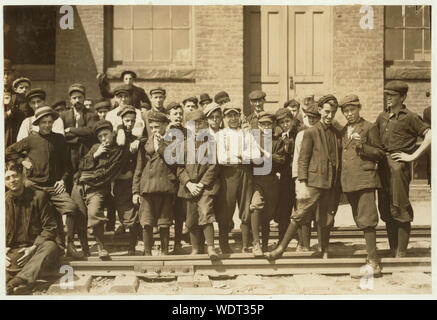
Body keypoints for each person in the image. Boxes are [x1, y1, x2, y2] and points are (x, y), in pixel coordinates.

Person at [266, 95, 342, 260]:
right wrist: (302, 183)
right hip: (314, 182)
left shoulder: (336, 133)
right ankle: (281, 248)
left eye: (333, 113)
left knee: (326, 217)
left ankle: (325, 250)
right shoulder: (310, 132)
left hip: (330, 183)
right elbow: (303, 160)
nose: (329, 116)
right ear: (320, 110)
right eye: (327, 112)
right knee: (300, 214)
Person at [6, 106, 86, 260]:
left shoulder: (60, 140)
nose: (47, 125)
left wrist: (63, 180)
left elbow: (68, 166)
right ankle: (42, 248)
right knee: (41, 213)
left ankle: (69, 245)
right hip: (35, 185)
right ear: (38, 123)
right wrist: (22, 160)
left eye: (50, 122)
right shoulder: (31, 139)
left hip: (55, 186)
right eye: (44, 122)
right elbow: (8, 151)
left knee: (71, 207)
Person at [375, 81, 431, 257]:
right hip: (383, 167)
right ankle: (393, 249)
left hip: (399, 168)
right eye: (387, 94)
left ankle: (401, 252)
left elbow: (430, 135)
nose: (388, 98)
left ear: (403, 97)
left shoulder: (410, 117)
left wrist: (412, 156)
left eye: (392, 95)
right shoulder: (382, 117)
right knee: (385, 208)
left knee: (400, 207)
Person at [339, 94, 385, 277]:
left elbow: (380, 153)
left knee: (367, 220)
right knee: (360, 220)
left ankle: (373, 263)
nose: (349, 114)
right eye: (346, 111)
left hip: (365, 180)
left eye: (352, 110)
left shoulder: (369, 127)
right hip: (350, 182)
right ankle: (371, 257)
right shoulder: (343, 130)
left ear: (359, 108)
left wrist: (362, 146)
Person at [74, 120, 132, 258]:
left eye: (106, 135)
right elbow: (81, 165)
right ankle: (85, 250)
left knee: (94, 215)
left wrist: (120, 129)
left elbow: (126, 139)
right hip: (80, 185)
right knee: (79, 217)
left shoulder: (119, 150)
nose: (103, 139)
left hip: (97, 188)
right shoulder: (95, 147)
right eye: (100, 137)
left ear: (113, 133)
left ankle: (102, 247)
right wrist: (95, 155)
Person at [5, 160, 61, 295]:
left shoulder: (38, 197)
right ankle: (24, 283)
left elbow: (50, 227)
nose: (12, 180)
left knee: (51, 247)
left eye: (14, 176)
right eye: (7, 178)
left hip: (36, 249)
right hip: (14, 252)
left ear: (22, 176)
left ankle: (15, 281)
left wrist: (33, 248)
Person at [215, 103, 263, 253]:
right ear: (224, 118)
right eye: (229, 115)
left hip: (245, 174)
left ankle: (246, 245)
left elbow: (257, 155)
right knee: (226, 209)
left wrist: (240, 156)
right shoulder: (220, 135)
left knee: (246, 208)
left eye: (235, 115)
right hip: (228, 175)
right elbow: (222, 158)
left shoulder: (246, 134)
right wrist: (244, 156)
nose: (233, 118)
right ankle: (224, 245)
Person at [133, 112, 178, 256]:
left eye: (157, 127)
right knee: (146, 221)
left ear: (166, 126)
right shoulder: (145, 143)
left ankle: (164, 252)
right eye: (151, 127)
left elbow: (174, 161)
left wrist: (161, 145)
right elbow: (138, 168)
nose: (154, 130)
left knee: (164, 222)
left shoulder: (174, 141)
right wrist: (135, 191)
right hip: (147, 188)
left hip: (165, 187)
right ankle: (147, 253)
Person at [176, 110, 220, 259]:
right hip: (189, 188)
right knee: (191, 217)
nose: (196, 128)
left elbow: (213, 166)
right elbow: (179, 168)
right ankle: (195, 249)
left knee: (206, 212)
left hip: (205, 188)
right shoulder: (183, 145)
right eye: (192, 124)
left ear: (204, 125)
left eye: (199, 124)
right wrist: (188, 184)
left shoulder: (210, 143)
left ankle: (211, 248)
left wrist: (201, 184)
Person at [250, 112, 285, 256]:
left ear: (273, 125)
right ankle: (256, 243)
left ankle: (265, 244)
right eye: (263, 124)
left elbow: (281, 159)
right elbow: (252, 159)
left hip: (272, 180)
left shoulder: (278, 142)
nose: (266, 127)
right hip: (257, 179)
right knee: (256, 206)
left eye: (269, 124)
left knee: (268, 213)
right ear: (259, 125)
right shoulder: (254, 140)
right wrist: (269, 158)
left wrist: (266, 156)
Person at [291, 102, 321, 251]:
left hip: (319, 180)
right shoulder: (301, 135)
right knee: (303, 212)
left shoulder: (323, 133)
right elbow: (297, 158)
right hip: (304, 179)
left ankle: (322, 246)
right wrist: (298, 179)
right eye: (309, 117)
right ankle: (304, 244)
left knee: (320, 214)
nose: (312, 121)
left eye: (315, 118)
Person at [59, 83, 99, 191]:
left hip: (85, 151)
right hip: (68, 152)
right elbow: (62, 135)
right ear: (70, 100)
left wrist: (71, 130)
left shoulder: (92, 115)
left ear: (84, 98)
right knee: (68, 178)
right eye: (74, 98)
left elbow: (91, 132)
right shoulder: (63, 116)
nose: (77, 100)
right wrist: (80, 135)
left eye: (80, 97)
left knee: (83, 179)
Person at [113, 105, 141, 255]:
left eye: (132, 121)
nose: (129, 123)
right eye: (127, 120)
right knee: (124, 212)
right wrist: (119, 129)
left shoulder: (135, 138)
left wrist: (139, 141)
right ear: (122, 120)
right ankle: (130, 240)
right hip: (119, 181)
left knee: (133, 212)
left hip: (133, 181)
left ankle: (132, 246)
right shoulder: (117, 136)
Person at [166, 102, 189, 254]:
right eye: (175, 114)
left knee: (180, 213)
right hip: (167, 177)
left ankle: (177, 243)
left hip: (181, 176)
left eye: (180, 114)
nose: (178, 117)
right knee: (167, 213)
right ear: (169, 116)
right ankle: (165, 245)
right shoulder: (165, 133)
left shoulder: (187, 133)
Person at [274, 108, 298, 243]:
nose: (285, 125)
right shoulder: (277, 137)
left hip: (297, 176)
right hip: (284, 176)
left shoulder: (298, 133)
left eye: (287, 121)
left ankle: (301, 238)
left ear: (292, 121)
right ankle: (282, 239)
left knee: (299, 207)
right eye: (282, 122)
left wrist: (289, 144)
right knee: (283, 208)